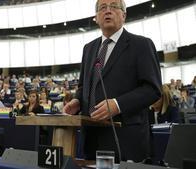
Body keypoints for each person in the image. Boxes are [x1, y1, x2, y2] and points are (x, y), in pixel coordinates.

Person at [63, 0, 161, 162]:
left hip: (126, 139)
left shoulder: (141, 45)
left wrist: (118, 104)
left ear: (124, 15)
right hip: (91, 139)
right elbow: (83, 86)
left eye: (114, 6)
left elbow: (152, 89)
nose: (107, 11)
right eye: (102, 8)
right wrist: (77, 100)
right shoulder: (89, 49)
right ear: (96, 17)